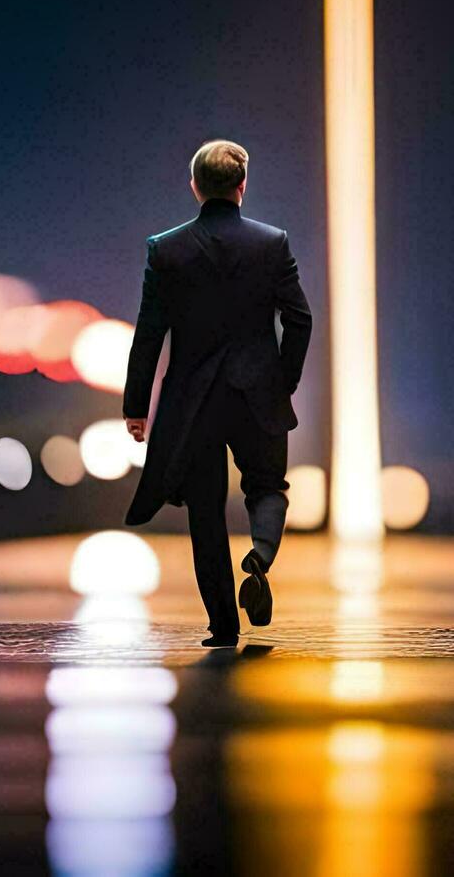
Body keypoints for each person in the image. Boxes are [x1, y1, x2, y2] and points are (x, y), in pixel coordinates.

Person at [122, 139, 312, 647]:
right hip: (258, 395)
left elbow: (149, 333)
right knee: (268, 486)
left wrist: (136, 407)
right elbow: (300, 319)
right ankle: (262, 554)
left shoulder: (167, 250)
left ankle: (223, 625)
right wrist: (282, 380)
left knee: (205, 512)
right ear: (242, 187)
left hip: (194, 400)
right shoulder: (273, 243)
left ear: (195, 186)